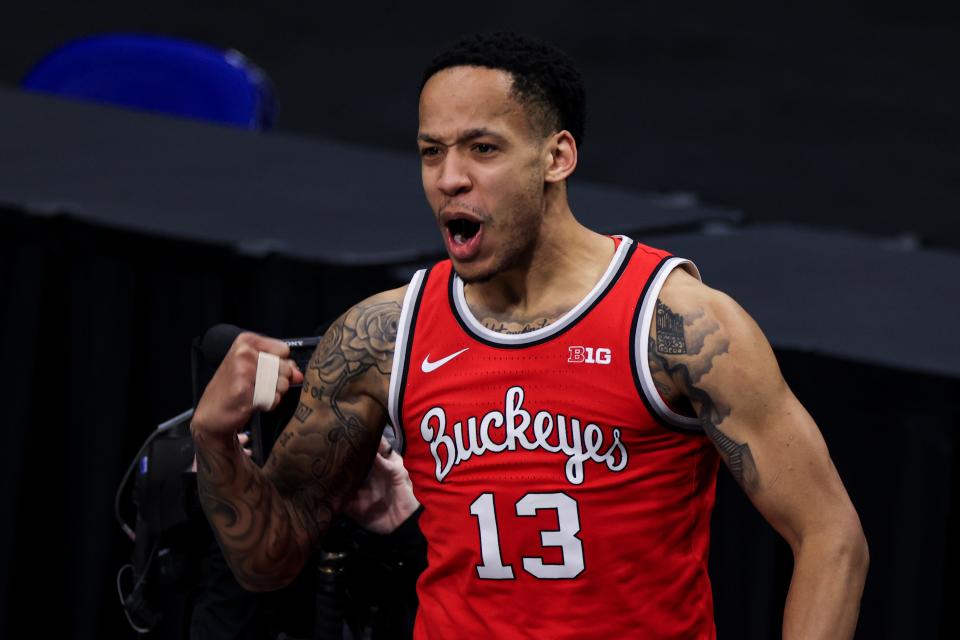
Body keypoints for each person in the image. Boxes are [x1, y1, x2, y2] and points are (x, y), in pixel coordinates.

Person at [191, 32, 868, 638]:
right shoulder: (382, 336)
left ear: (557, 157)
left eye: (483, 149)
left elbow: (831, 536)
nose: (451, 178)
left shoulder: (679, 328)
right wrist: (215, 441)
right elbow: (269, 562)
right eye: (433, 152)